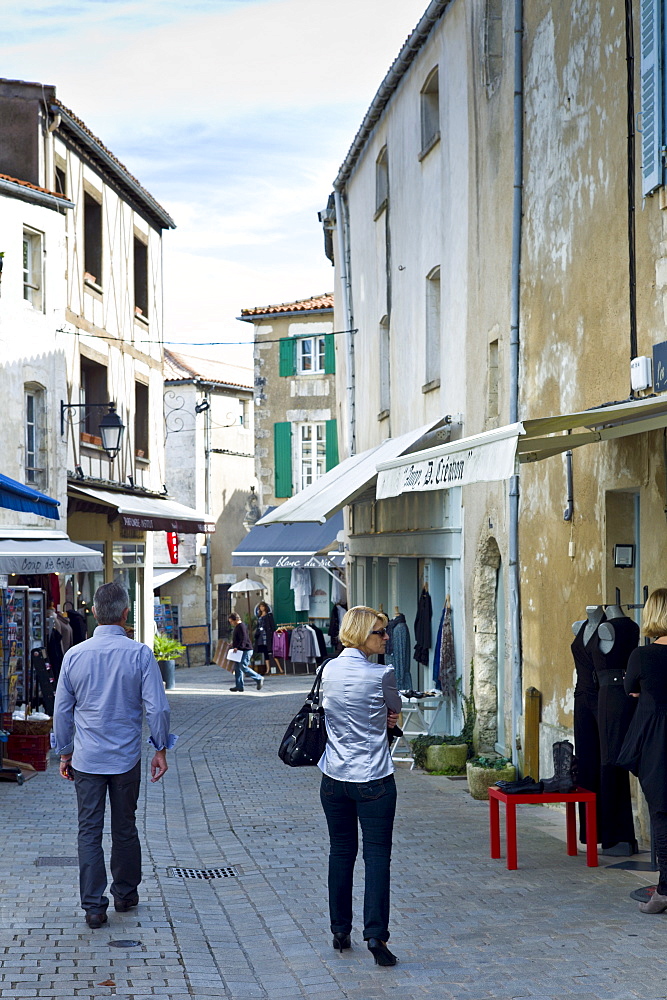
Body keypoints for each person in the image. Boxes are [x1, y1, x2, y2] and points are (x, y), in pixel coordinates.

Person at [51, 581, 176, 929]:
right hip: (125, 759)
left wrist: (64, 753)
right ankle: (125, 895)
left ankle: (93, 906)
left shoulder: (75, 655)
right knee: (125, 827)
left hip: (87, 760)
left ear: (92, 613)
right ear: (125, 614)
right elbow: (158, 709)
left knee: (88, 831)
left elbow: (62, 712)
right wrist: (160, 748)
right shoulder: (139, 654)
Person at [318, 605, 402, 967]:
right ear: (361, 635)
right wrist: (385, 720)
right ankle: (375, 936)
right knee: (377, 855)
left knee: (340, 852)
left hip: (334, 777)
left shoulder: (327, 669)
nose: (386, 637)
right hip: (374, 778)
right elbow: (393, 711)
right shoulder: (382, 674)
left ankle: (340, 930)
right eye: (379, 632)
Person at [618, 588, 667, 912]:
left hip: (658, 741)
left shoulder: (643, 655)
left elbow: (629, 688)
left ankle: (664, 891)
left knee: (662, 813)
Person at [228, 612, 263, 691]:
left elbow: (243, 638)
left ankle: (259, 678)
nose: (231, 623)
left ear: (236, 619)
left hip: (245, 650)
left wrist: (238, 647)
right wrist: (233, 644)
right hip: (240, 651)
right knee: (237, 668)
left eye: (231, 621)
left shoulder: (241, 626)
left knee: (243, 667)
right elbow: (239, 638)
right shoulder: (237, 627)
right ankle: (239, 686)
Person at [254, 601, 276, 674]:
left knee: (269, 650)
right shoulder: (259, 616)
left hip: (267, 635)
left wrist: (273, 633)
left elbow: (272, 625)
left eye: (262, 606)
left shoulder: (269, 615)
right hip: (260, 635)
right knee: (264, 651)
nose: (261, 608)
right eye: (260, 607)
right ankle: (267, 668)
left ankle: (272, 668)